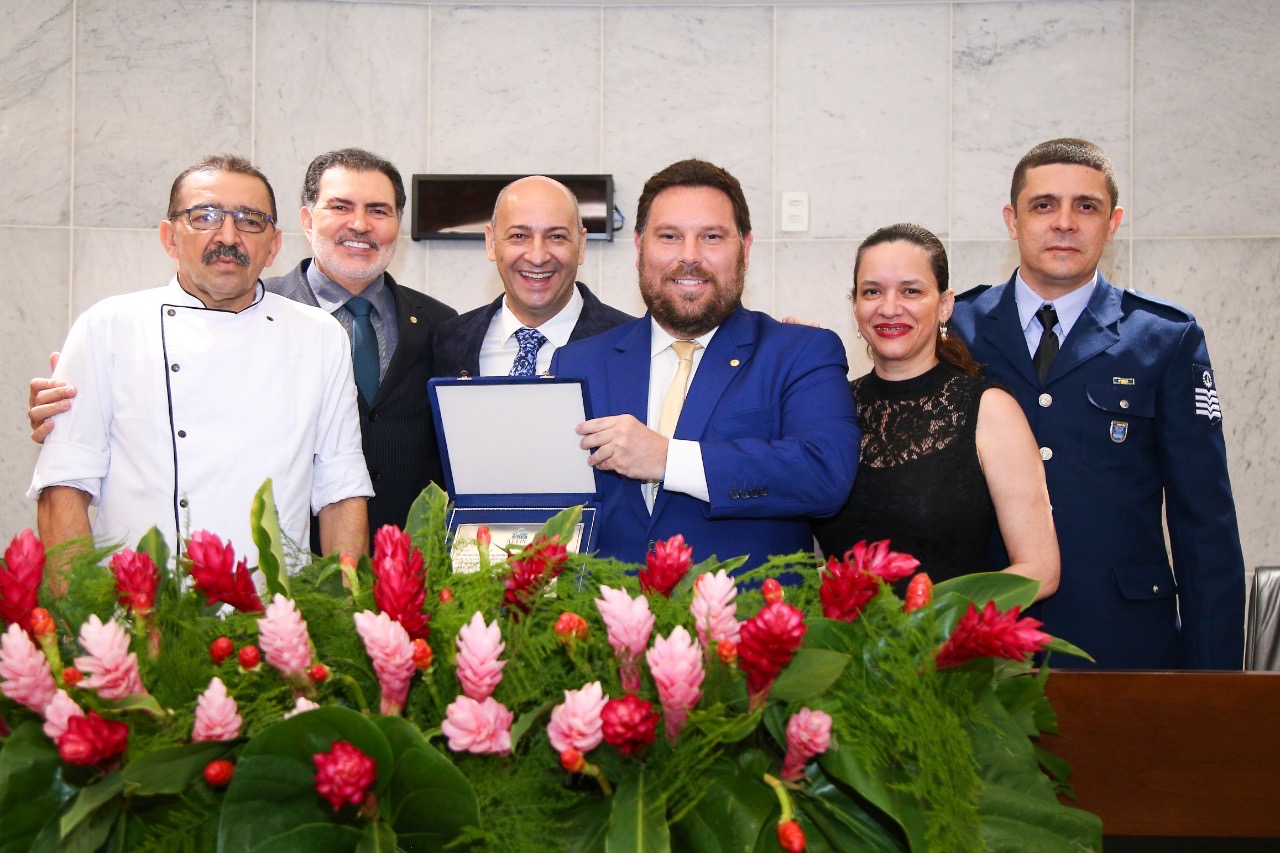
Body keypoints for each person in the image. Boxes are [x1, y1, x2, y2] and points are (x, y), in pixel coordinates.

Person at [29, 148, 457, 544]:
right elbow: (65, 480)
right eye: (205, 216)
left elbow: (342, 483)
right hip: (141, 604)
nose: (228, 236)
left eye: (250, 220)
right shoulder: (107, 327)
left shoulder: (332, 334)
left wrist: (345, 608)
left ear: (272, 244)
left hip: (287, 598)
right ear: (169, 237)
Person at [950, 138, 1245, 669]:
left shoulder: (1164, 339)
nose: (1065, 222)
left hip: (1122, 644)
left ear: (1113, 223)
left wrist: (1219, 684)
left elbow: (1205, 524)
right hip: (982, 643)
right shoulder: (959, 329)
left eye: (1086, 206)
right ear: (1011, 220)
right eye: (1043, 205)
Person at [551, 159, 860, 572]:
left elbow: (824, 476)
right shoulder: (578, 361)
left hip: (749, 627)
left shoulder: (800, 352)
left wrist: (668, 460)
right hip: (606, 626)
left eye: (711, 237)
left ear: (745, 249)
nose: (690, 256)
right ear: (640, 247)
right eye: (669, 237)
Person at [811, 224, 1059, 600]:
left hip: (949, 649)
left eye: (911, 291)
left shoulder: (989, 408)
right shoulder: (832, 408)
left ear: (945, 305)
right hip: (844, 652)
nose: (889, 307)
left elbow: (1040, 570)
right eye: (872, 291)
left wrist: (934, 623)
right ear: (856, 305)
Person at [432, 175, 632, 378]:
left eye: (557, 237)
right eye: (519, 236)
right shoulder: (449, 341)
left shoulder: (632, 343)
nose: (537, 257)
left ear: (581, 246)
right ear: (491, 242)